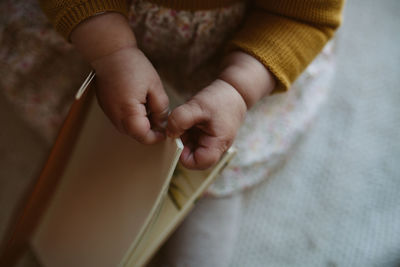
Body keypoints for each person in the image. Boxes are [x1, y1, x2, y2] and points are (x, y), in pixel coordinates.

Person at [0, 0, 343, 265]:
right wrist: (113, 53)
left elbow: (302, 16)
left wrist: (238, 89)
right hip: (97, 35)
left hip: (236, 61)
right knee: (74, 185)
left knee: (209, 173)